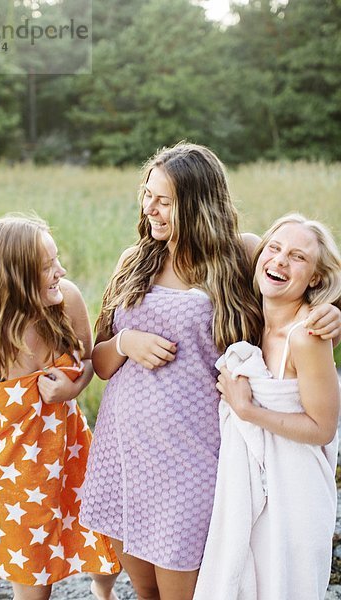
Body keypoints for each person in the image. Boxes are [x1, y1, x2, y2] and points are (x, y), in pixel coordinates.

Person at [78, 142, 341, 600]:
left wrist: (333, 315)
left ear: (198, 201)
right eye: (147, 195)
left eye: (164, 200)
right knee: (144, 590)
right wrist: (124, 342)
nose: (150, 209)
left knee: (189, 588)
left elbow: (298, 286)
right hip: (123, 453)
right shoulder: (134, 261)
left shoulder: (241, 254)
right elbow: (99, 364)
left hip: (194, 459)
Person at [0, 215, 120, 600]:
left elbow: (88, 360)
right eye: (47, 267)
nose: (62, 271)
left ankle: (102, 593)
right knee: (35, 586)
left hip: (75, 458)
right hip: (14, 483)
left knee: (107, 554)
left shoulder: (65, 300)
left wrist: (72, 390)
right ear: (15, 277)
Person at [193, 214, 341, 600]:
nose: (279, 261)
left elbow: (323, 428)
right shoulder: (253, 319)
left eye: (297, 257)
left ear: (315, 278)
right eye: (274, 248)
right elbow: (229, 240)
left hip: (295, 497)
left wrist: (249, 411)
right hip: (254, 490)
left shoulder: (307, 336)